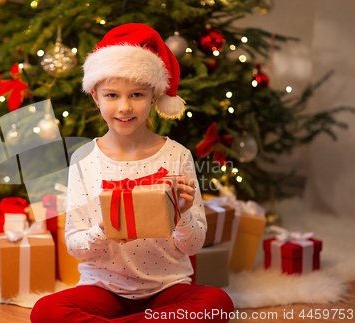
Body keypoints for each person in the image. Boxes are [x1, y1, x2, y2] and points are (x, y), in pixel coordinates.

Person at [31, 23, 234, 322]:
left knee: (218, 303)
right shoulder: (84, 159)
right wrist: (105, 227)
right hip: (103, 289)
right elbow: (75, 246)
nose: (124, 107)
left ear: (154, 96)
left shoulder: (177, 155)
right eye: (112, 95)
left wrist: (183, 213)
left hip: (167, 289)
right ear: (96, 98)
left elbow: (193, 244)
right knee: (45, 311)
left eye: (136, 94)